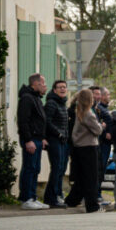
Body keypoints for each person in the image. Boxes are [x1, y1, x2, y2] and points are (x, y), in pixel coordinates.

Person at [65, 89, 103, 213]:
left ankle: (72, 200)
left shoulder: (78, 111)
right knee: (91, 177)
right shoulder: (89, 114)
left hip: (79, 147)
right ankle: (92, 205)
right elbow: (97, 130)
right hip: (89, 146)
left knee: (81, 176)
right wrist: (101, 126)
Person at [17, 74, 50, 210]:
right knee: (29, 168)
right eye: (43, 83)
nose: (45, 86)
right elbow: (23, 121)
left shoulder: (36, 98)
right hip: (30, 140)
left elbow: (38, 121)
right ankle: (26, 198)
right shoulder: (27, 98)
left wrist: (42, 137)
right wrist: (28, 140)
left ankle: (33, 197)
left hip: (37, 138)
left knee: (35, 168)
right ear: (36, 84)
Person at [43, 80, 70, 208]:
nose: (62, 89)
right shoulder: (51, 103)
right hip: (55, 140)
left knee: (61, 169)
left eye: (64, 87)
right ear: (54, 90)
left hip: (63, 141)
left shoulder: (63, 103)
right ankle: (50, 198)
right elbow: (47, 122)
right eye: (59, 87)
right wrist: (58, 133)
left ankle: (58, 194)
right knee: (56, 168)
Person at [92, 86, 113, 206]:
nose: (108, 97)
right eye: (107, 95)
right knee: (99, 169)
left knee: (101, 169)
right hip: (102, 143)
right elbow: (98, 124)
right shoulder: (98, 108)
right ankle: (97, 194)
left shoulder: (102, 108)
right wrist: (106, 133)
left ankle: (98, 193)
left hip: (105, 143)